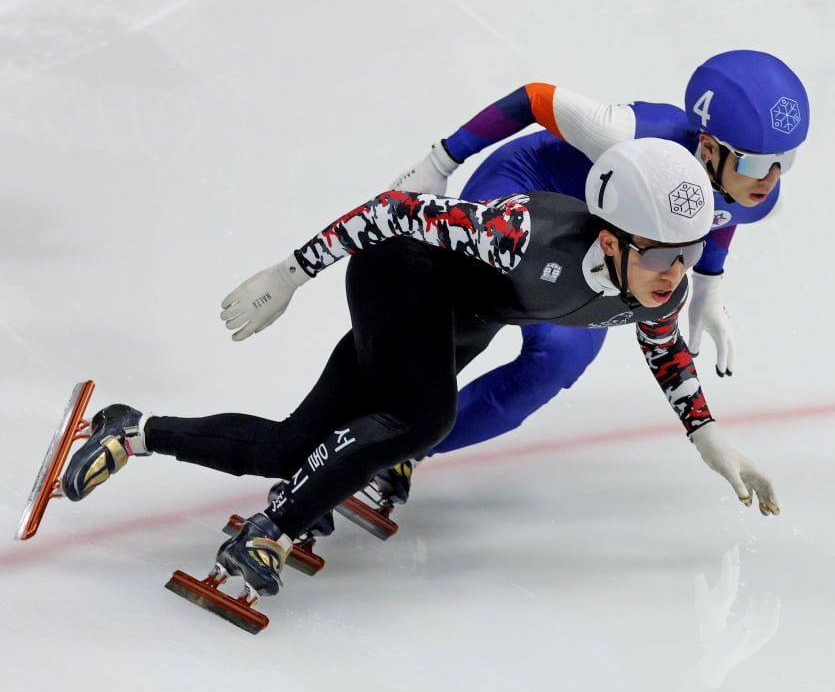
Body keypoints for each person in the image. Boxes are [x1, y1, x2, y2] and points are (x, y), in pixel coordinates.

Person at [60, 137, 780, 604]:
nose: (673, 275)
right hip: (401, 275)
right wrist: (289, 274)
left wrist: (710, 439)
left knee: (289, 446)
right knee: (424, 417)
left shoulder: (663, 287)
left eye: (687, 254)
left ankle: (133, 432)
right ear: (612, 236)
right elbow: (395, 213)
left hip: (457, 322)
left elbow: (665, 349)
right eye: (659, 254)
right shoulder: (522, 231)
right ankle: (272, 528)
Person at [336, 50, 808, 506]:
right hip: (530, 189)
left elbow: (725, 217)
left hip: (607, 238)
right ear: (708, 147)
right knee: (469, 307)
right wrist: (439, 163)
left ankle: (402, 450)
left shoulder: (756, 186)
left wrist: (709, 285)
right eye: (753, 161)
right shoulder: (634, 132)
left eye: (782, 161)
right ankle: (353, 421)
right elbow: (534, 97)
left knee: (558, 361)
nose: (769, 177)